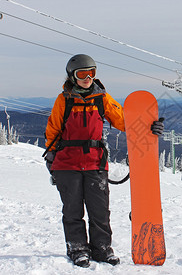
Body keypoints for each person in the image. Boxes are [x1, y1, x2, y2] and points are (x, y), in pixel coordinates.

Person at [44, 54, 164, 268]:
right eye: (82, 74)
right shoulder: (64, 100)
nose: (88, 77)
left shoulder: (102, 99)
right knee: (72, 210)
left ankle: (102, 249)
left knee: (99, 210)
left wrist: (149, 126)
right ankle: (77, 249)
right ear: (72, 76)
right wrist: (51, 160)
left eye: (92, 73)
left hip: (94, 162)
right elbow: (53, 130)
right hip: (67, 163)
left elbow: (125, 121)